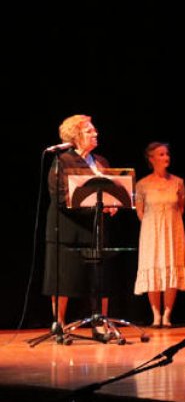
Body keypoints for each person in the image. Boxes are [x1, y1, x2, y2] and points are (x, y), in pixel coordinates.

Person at [43, 115, 113, 328]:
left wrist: (113, 204)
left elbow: (112, 191)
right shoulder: (62, 160)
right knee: (62, 278)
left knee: (99, 279)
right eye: (89, 131)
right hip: (67, 229)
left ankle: (100, 324)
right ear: (75, 136)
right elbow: (62, 196)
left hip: (95, 229)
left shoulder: (101, 162)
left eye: (95, 130)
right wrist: (96, 206)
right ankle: (59, 324)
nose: (95, 134)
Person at [134, 142, 185, 328]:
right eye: (161, 154)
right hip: (151, 231)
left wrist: (169, 222)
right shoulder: (142, 184)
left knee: (171, 267)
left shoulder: (178, 182)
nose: (166, 157)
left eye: (167, 154)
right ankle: (155, 315)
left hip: (173, 229)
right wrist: (153, 224)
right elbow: (140, 211)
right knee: (153, 268)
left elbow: (181, 207)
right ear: (151, 159)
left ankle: (167, 315)